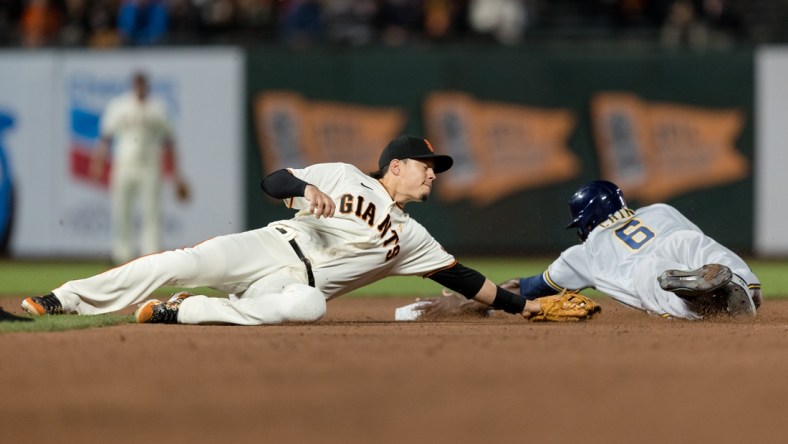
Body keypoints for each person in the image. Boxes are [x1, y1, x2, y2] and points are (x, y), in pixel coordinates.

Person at [21, 135, 543, 325]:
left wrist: (526, 307)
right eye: (426, 164)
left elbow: (463, 278)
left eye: (436, 168)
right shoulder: (344, 176)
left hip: (292, 287)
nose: (433, 172)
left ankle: (186, 310)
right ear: (396, 166)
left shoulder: (413, 238)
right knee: (178, 262)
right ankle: (62, 299)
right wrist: (299, 185)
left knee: (307, 309)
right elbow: (274, 180)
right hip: (269, 246)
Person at [400, 180, 761, 321]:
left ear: (586, 222)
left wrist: (464, 303)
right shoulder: (660, 209)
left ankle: (692, 298)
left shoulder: (584, 254)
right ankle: (742, 287)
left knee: (660, 289)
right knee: (706, 254)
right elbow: (692, 238)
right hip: (681, 243)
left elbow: (523, 290)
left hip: (646, 268)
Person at [90, 71, 190, 265]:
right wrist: (98, 163)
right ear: (133, 85)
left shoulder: (158, 107)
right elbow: (105, 138)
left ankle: (151, 256)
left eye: (143, 83)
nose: (140, 87)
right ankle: (121, 255)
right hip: (124, 164)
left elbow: (170, 142)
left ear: (148, 85)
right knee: (121, 210)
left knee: (152, 211)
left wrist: (178, 175)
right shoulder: (119, 106)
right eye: (137, 83)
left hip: (150, 165)